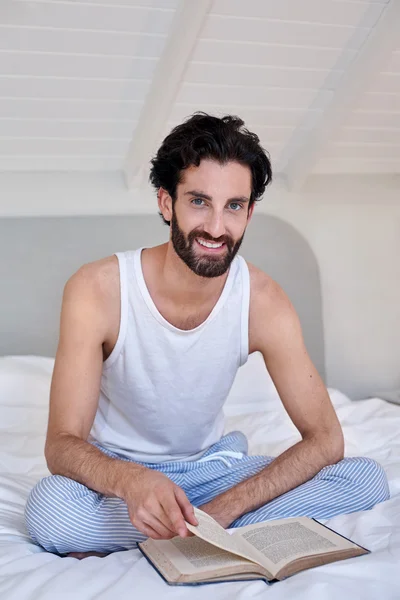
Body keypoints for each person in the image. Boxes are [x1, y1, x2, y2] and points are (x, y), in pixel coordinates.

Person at [24, 113, 389, 558]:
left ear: (249, 212)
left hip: (214, 471)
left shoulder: (264, 300)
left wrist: (224, 507)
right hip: (118, 480)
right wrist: (131, 481)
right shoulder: (97, 289)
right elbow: (61, 444)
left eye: (233, 206)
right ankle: (188, 530)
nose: (216, 228)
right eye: (199, 201)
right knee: (51, 512)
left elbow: (326, 438)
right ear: (165, 203)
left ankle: (190, 528)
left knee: (365, 477)